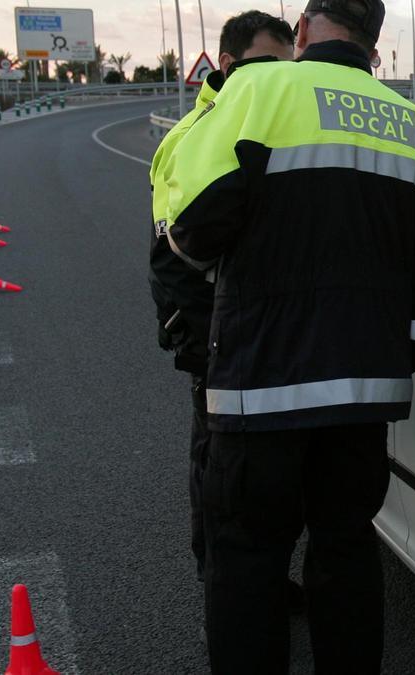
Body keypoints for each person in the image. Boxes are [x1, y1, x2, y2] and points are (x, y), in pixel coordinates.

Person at [161, 0, 415, 671]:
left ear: (301, 29)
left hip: (257, 391)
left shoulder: (256, 90)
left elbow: (187, 222)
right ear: (375, 42)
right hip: (363, 393)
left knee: (246, 557)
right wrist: (401, 351)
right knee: (347, 547)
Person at [147, 9, 302, 608]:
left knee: (265, 472)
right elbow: (171, 256)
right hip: (217, 338)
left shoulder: (268, 117)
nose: (279, 78)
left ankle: (262, 579)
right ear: (231, 65)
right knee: (217, 466)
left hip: (269, 335)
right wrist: (197, 338)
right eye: (267, 64)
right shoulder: (190, 137)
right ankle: (218, 579)